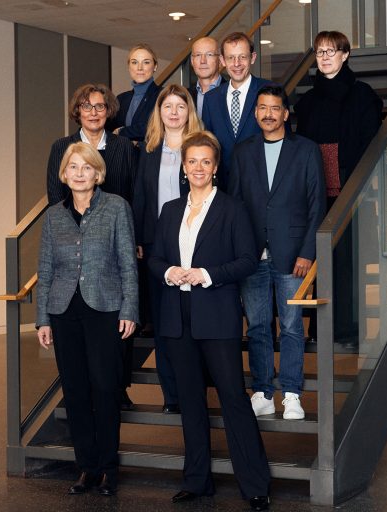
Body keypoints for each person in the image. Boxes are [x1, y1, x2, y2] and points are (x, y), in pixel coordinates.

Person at [148, 131, 271, 511]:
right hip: (177, 319)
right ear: (183, 168)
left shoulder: (232, 209)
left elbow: (248, 260)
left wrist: (206, 274)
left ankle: (254, 484)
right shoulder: (170, 210)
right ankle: (196, 480)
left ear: (215, 167)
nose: (198, 168)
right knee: (190, 401)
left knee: (233, 398)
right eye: (192, 161)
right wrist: (170, 271)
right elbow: (153, 258)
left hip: (217, 318)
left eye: (205, 161)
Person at [35, 142, 138, 497]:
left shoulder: (116, 208)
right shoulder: (53, 216)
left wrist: (130, 309)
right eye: (73, 168)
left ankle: (108, 468)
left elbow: (128, 263)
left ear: (98, 173)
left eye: (86, 168)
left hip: (105, 308)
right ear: (63, 175)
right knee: (76, 392)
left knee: (106, 388)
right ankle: (87, 468)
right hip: (64, 312)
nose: (79, 174)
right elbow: (45, 269)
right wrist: (42, 318)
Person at [229, 84, 326, 419]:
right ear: (255, 113)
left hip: (292, 256)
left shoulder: (306, 150)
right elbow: (236, 207)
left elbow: (317, 206)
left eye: (274, 108)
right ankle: (262, 391)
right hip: (252, 257)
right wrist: (240, 253)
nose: (267, 114)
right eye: (261, 108)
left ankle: (292, 394)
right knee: (256, 325)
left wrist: (307, 252)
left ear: (286, 113)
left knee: (291, 326)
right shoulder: (242, 152)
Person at [45, 83, 139, 409]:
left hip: (115, 239)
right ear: (78, 112)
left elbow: (132, 192)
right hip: (75, 244)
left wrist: (132, 238)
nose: (94, 113)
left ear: (108, 111)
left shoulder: (124, 147)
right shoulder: (62, 147)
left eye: (100, 107)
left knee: (115, 318)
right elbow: (56, 197)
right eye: (87, 107)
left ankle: (118, 387)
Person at [294, 31, 383, 347]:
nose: (325, 56)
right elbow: (301, 147)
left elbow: (369, 143)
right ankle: (320, 329)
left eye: (332, 50)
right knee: (319, 261)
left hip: (351, 189)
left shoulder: (363, 95)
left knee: (348, 263)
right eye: (319, 52)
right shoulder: (306, 101)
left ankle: (349, 330)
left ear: (346, 54)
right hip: (316, 192)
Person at [132, 84, 203, 414]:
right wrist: (141, 241)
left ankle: (195, 389)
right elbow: (141, 200)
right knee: (164, 325)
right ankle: (171, 395)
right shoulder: (149, 150)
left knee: (193, 322)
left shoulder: (201, 148)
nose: (173, 112)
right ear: (158, 113)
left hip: (194, 243)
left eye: (180, 106)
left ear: (189, 111)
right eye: (167, 107)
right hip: (157, 248)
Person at [201, 32, 270, 189]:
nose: (236, 63)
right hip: (223, 187)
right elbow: (208, 144)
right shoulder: (211, 99)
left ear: (252, 58)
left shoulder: (270, 91)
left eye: (242, 57)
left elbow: (282, 141)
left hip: (261, 185)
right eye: (231, 58)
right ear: (222, 61)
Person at [107, 43, 162, 142]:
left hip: (150, 155)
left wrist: (121, 131)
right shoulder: (121, 99)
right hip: (123, 155)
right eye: (134, 62)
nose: (139, 68)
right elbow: (108, 128)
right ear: (129, 67)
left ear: (155, 66)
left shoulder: (163, 94)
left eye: (146, 62)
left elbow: (155, 127)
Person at [187, 36, 224, 118]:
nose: (203, 61)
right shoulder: (185, 96)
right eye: (198, 55)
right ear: (192, 61)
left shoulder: (232, 92)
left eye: (209, 54)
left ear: (220, 60)